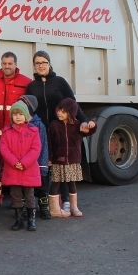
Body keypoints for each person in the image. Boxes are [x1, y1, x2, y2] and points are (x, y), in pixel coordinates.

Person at [25, 50, 89, 213]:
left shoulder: (60, 82)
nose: (41, 66)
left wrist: (83, 120)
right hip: (41, 131)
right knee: (46, 164)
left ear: (49, 64)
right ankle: (46, 201)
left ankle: (66, 200)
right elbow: (28, 108)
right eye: (37, 63)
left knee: (63, 163)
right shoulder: (31, 86)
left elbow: (72, 103)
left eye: (44, 62)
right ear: (34, 66)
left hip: (61, 129)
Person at [0, 51, 32, 204]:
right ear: (1, 64)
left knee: (16, 166)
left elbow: (29, 110)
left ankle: (18, 199)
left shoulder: (26, 82)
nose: (7, 66)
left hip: (17, 135)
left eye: (10, 63)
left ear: (16, 65)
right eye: (4, 63)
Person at [48, 98, 96, 218]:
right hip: (58, 160)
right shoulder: (54, 125)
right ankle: (54, 208)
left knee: (72, 183)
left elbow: (89, 131)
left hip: (73, 160)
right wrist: (49, 158)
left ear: (70, 113)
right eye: (59, 110)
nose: (59, 113)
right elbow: (50, 143)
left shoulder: (78, 125)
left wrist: (92, 123)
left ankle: (74, 207)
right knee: (55, 183)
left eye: (63, 112)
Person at [0, 101, 41, 231]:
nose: (18, 117)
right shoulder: (6, 132)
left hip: (28, 168)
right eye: (15, 114)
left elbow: (36, 149)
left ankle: (31, 220)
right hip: (13, 169)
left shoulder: (33, 131)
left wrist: (24, 163)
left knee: (30, 196)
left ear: (26, 116)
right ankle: (18, 220)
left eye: (20, 114)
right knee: (16, 195)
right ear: (11, 116)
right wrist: (14, 162)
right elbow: (4, 149)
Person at [19, 95, 51, 220]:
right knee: (25, 188)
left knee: (42, 187)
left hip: (38, 162)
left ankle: (44, 207)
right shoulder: (18, 125)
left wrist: (42, 164)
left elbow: (43, 145)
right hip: (24, 163)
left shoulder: (39, 125)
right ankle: (26, 209)